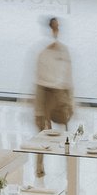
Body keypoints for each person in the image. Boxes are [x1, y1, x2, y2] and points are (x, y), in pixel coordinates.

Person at [33, 16, 74, 177]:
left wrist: (70, 100)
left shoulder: (63, 50)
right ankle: (39, 166)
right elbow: (38, 79)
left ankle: (69, 164)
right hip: (45, 92)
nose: (56, 30)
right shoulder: (43, 51)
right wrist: (39, 110)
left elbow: (69, 76)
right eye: (54, 27)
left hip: (60, 92)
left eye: (58, 27)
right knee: (42, 132)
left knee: (66, 132)